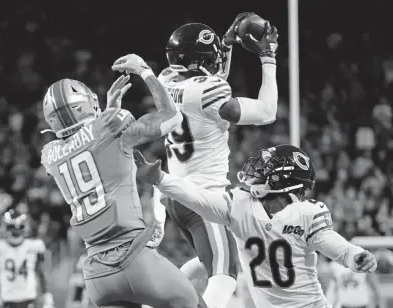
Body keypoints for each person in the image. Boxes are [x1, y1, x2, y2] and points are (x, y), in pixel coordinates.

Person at [40, 54, 206, 308]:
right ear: (85, 105)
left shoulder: (50, 154)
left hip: (97, 275)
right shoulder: (111, 125)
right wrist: (145, 71)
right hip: (135, 258)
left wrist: (106, 114)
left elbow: (87, 149)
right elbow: (172, 117)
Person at [134, 144, 378, 308]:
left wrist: (357, 256)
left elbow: (339, 248)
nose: (258, 171)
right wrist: (160, 179)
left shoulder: (307, 213)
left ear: (282, 179)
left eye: (267, 168)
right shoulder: (240, 204)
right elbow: (198, 197)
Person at [152, 13, 279, 308]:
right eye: (211, 57)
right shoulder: (209, 92)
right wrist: (268, 58)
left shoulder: (165, 80)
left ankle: (159, 299)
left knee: (221, 254)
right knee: (225, 276)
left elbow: (207, 83)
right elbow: (266, 112)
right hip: (205, 198)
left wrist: (227, 45)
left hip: (177, 194)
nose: (217, 60)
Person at [0, 209, 54, 308]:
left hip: (29, 300)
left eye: (19, 227)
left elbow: (42, 273)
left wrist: (48, 299)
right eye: (12, 227)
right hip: (7, 301)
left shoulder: (34, 246)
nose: (15, 230)